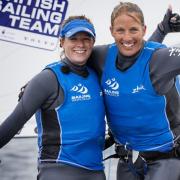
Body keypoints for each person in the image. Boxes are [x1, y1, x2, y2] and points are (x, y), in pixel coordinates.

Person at [0, 15, 106, 180]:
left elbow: (136, 59)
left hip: (96, 171)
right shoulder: (48, 79)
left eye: (86, 38)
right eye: (73, 38)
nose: (80, 44)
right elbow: (14, 122)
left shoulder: (98, 74)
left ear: (93, 43)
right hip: (58, 171)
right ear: (62, 42)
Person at [88, 2, 180, 180]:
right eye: (120, 30)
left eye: (134, 30)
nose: (127, 37)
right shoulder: (102, 56)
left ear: (144, 30)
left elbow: (148, 58)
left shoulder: (161, 57)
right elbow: (72, 63)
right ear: (111, 30)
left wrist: (162, 30)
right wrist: (42, 88)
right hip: (127, 159)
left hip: (167, 157)